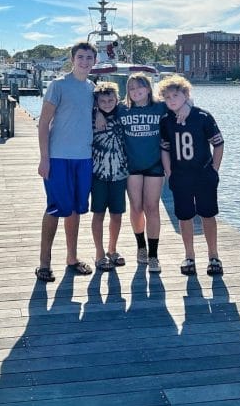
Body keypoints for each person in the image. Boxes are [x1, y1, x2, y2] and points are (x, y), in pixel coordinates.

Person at [35, 42, 97, 282]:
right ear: (73, 59)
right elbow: (43, 123)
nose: (84, 62)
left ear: (94, 61)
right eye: (80, 57)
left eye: (89, 58)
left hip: (84, 158)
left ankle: (72, 258)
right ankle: (44, 263)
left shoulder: (93, 88)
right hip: (59, 157)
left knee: (75, 210)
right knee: (55, 208)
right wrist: (44, 158)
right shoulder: (58, 86)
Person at [158, 75, 225, 276]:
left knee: (207, 214)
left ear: (186, 95)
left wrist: (214, 168)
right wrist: (169, 173)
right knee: (184, 216)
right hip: (181, 176)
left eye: (175, 95)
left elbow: (218, 144)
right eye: (167, 97)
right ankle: (189, 255)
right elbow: (165, 149)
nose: (171, 100)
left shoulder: (203, 117)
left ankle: (213, 255)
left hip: (203, 174)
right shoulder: (166, 121)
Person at [118, 73, 168, 273]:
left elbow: (184, 100)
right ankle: (141, 246)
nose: (136, 91)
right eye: (131, 88)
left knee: (152, 207)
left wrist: (187, 107)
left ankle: (154, 255)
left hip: (154, 165)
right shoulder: (122, 109)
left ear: (148, 88)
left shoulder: (160, 107)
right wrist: (98, 114)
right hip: (132, 165)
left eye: (140, 87)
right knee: (136, 207)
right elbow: (101, 107)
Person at [90, 82, 129, 271]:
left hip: (120, 174)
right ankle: (99, 252)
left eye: (111, 100)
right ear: (97, 102)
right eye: (103, 101)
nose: (107, 103)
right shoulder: (91, 116)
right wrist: (97, 112)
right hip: (98, 174)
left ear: (117, 99)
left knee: (117, 214)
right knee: (98, 214)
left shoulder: (123, 114)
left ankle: (112, 249)